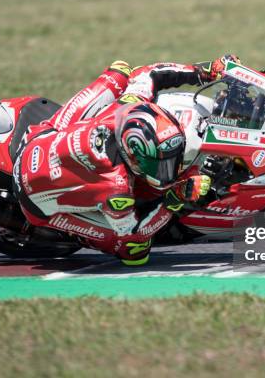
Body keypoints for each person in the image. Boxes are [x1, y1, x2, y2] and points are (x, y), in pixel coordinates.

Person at [12, 55, 240, 265]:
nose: (167, 171)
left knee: (120, 71)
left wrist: (204, 71)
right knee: (134, 252)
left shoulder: (128, 105)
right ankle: (69, 231)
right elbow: (135, 231)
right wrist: (174, 198)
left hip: (43, 134)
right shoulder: (116, 189)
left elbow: (150, 73)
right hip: (32, 196)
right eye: (160, 165)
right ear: (132, 157)